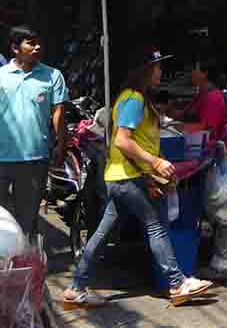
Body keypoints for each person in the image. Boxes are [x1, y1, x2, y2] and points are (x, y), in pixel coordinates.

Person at [62, 48, 213, 309]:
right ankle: (177, 283)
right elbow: (123, 140)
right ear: (143, 71)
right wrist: (154, 162)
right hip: (130, 177)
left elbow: (137, 138)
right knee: (155, 226)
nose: (160, 72)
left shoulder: (134, 98)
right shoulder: (133, 99)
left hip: (120, 178)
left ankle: (76, 287)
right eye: (156, 67)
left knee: (101, 233)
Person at [0, 25, 67, 239]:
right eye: (30, 43)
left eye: (38, 42)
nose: (37, 47)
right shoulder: (1, 76)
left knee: (26, 218)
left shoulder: (52, 76)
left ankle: (23, 266)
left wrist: (61, 144)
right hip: (1, 158)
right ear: (14, 48)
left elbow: (58, 114)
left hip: (35, 158)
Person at [177, 56, 227, 147]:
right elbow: (184, 114)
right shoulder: (201, 94)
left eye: (194, 69)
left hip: (208, 152)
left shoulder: (213, 97)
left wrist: (181, 127)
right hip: (195, 145)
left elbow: (208, 129)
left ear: (204, 73)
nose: (192, 72)